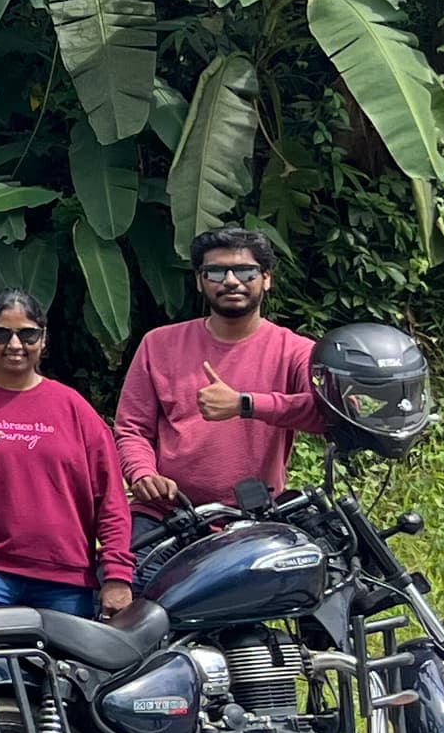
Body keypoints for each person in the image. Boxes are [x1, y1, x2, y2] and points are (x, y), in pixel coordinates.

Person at [0, 291, 133, 621]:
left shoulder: (74, 408)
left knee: (71, 672)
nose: (15, 345)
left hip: (65, 575)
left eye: (28, 334)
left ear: (43, 339)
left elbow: (111, 500)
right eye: (1, 334)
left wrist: (118, 576)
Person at [114, 225, 322, 561]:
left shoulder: (295, 350)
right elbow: (132, 429)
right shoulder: (159, 344)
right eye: (215, 271)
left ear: (266, 278)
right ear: (200, 281)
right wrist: (143, 473)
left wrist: (247, 404)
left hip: (250, 518)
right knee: (120, 595)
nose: (230, 280)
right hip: (163, 514)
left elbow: (326, 413)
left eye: (244, 271)